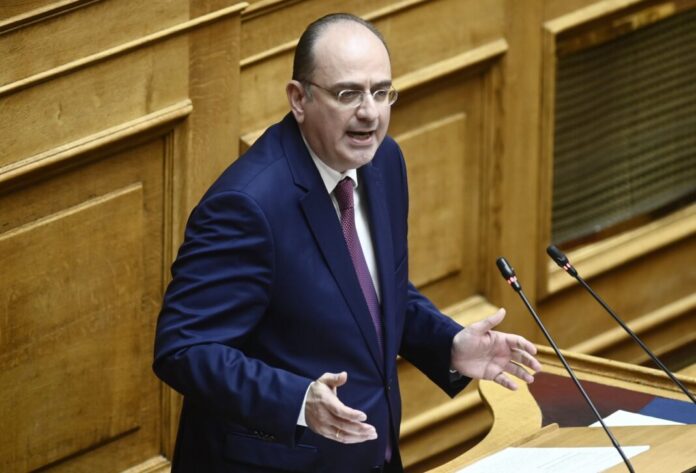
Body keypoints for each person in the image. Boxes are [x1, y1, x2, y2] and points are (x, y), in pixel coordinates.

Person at [153, 13, 541, 473]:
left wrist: (449, 344)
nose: (370, 112)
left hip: (372, 456)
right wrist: (298, 401)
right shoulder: (247, 205)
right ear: (299, 98)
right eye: (348, 94)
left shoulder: (383, 162)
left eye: (381, 92)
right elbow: (184, 348)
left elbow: (373, 293)